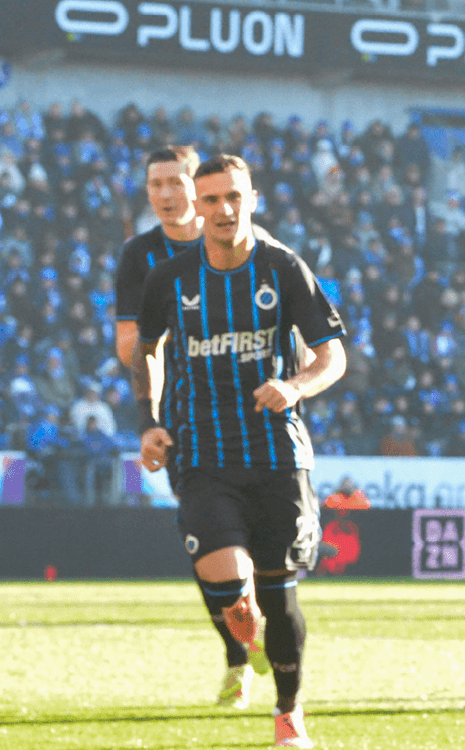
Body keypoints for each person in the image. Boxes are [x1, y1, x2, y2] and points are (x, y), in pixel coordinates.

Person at [131, 156, 347, 747]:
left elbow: (332, 354)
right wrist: (149, 423)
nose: (224, 209)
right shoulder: (170, 278)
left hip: (277, 454)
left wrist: (295, 386)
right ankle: (236, 604)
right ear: (195, 208)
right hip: (202, 454)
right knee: (229, 579)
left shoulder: (284, 268)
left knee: (280, 596)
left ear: (252, 200)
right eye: (211, 199)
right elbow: (145, 350)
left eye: (234, 197)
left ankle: (289, 713)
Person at [114, 144, 281, 704]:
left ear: (200, 189)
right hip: (187, 420)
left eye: (175, 183)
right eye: (154, 185)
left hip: (256, 419)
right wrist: (155, 409)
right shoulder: (141, 256)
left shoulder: (257, 246)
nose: (164, 195)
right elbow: (131, 345)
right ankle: (239, 654)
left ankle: (266, 633)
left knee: (261, 547)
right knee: (207, 545)